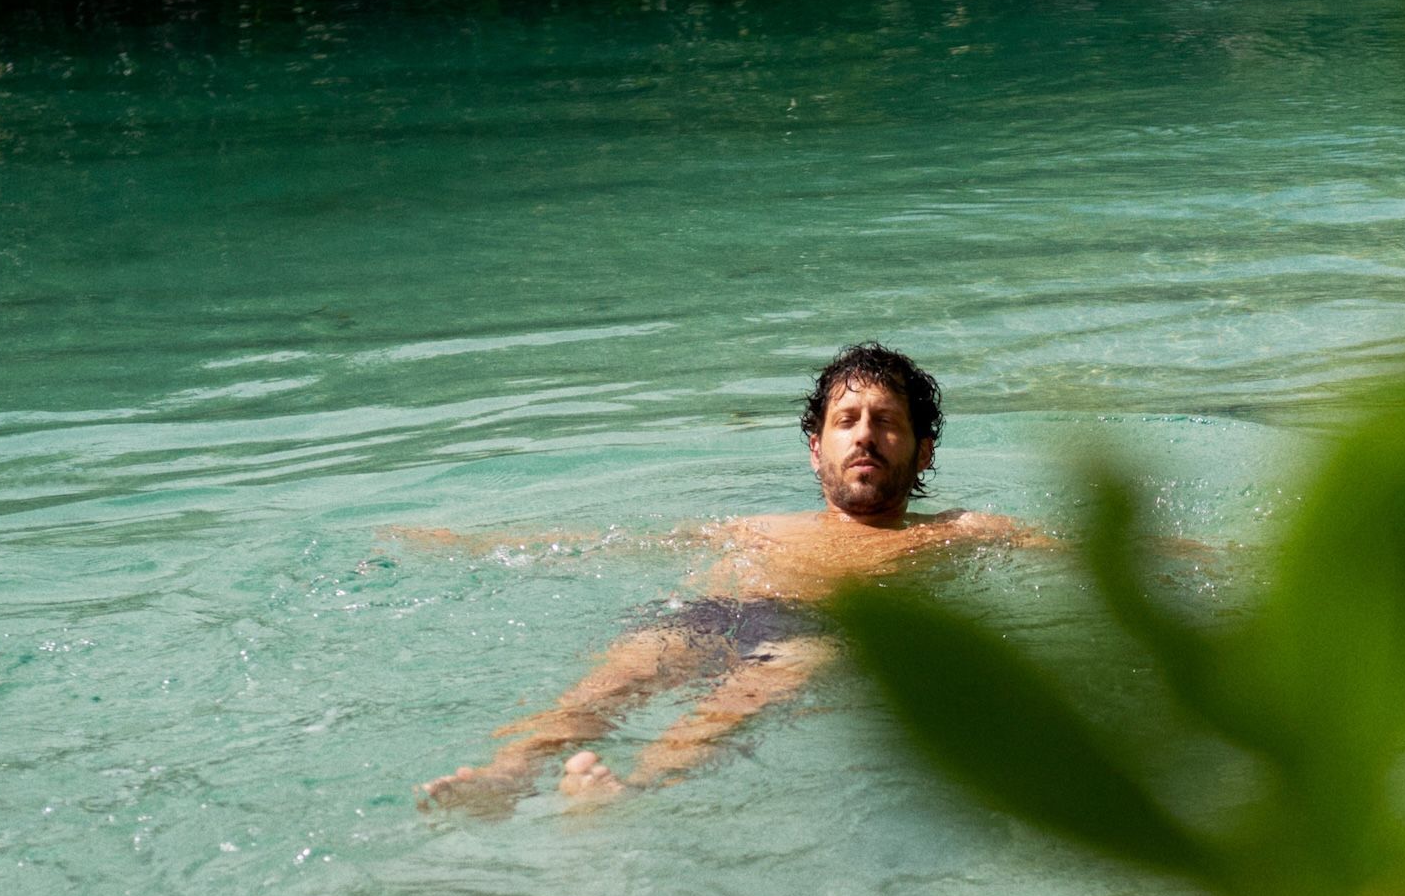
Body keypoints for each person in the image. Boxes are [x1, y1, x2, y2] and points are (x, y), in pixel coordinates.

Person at [414, 344, 1050, 812]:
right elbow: (605, 546)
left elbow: (1100, 552)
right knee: (619, 675)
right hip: (717, 610)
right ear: (815, 447)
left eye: (886, 422)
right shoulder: (753, 528)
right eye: (847, 421)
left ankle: (632, 790)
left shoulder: (961, 529)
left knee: (756, 686)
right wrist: (464, 545)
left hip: (820, 633)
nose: (866, 437)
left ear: (923, 450)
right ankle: (505, 777)